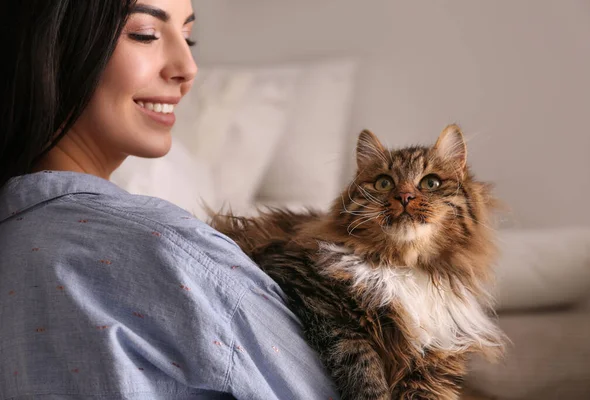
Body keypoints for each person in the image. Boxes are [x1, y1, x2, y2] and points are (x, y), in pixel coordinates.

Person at [0, 1, 338, 399]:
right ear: (54, 46)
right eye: (145, 34)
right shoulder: (165, 251)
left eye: (189, 37)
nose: (188, 67)